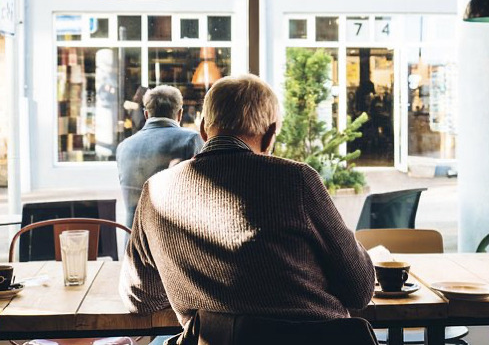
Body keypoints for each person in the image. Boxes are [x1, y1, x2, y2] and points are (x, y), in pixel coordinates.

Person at [119, 74, 374, 329]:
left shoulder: (155, 191)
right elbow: (359, 290)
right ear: (270, 134)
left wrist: (192, 282)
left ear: (204, 128)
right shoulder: (297, 180)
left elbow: (139, 298)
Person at [116, 85, 204, 228]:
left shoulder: (123, 147)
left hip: (132, 240)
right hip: (171, 241)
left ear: (146, 114)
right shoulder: (190, 140)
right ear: (180, 114)